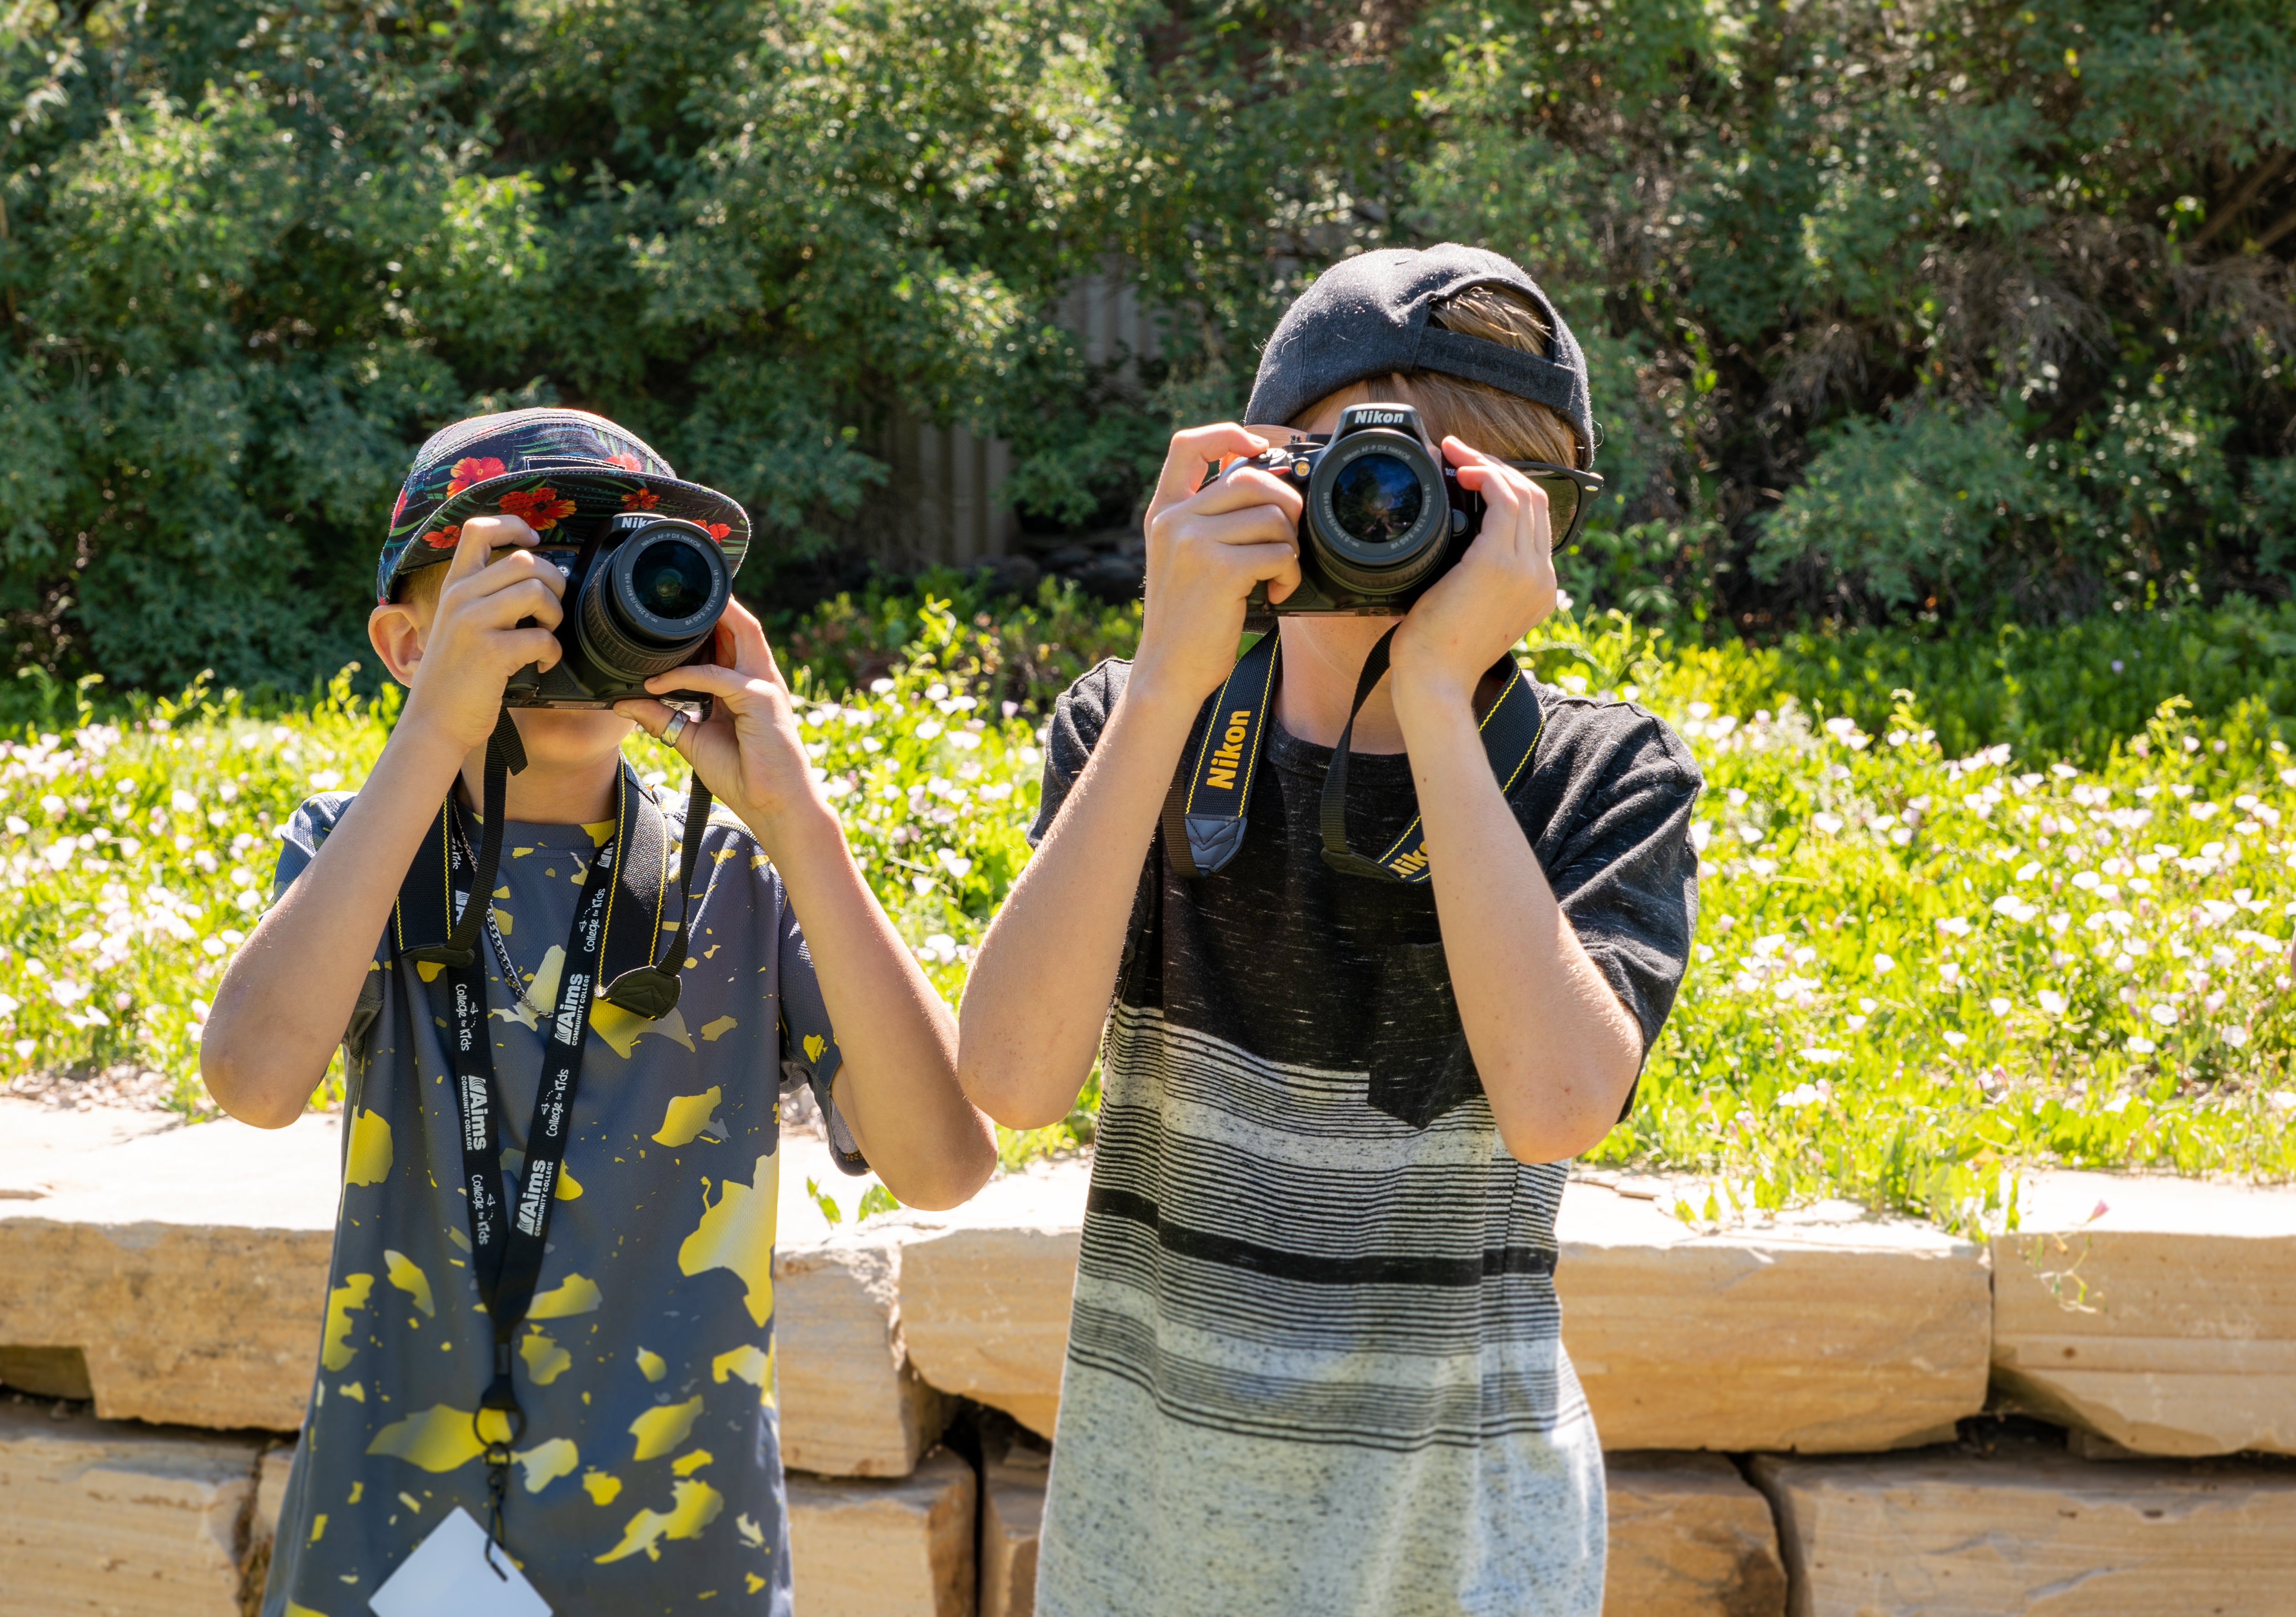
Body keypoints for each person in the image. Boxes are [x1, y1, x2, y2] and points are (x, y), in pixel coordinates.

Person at [957, 246, 1702, 1615]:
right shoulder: (1141, 730)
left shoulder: (1599, 772)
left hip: (1464, 1554)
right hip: (1151, 1546)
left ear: (1538, 529)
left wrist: (1432, 686)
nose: (1388, 514)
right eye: (1353, 474)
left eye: (1452, 493)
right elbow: (1008, 1077)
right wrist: (1175, 665)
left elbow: (1553, 1104)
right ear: (1249, 470)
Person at [203, 407, 994, 1613]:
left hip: (680, 1557)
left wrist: (802, 825)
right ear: (408, 640)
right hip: (392, 1550)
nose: (566, 628)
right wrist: (433, 736)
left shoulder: (738, 877)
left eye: (606, 583)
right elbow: (252, 1079)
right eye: (517, 585)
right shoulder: (366, 849)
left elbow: (941, 1165)